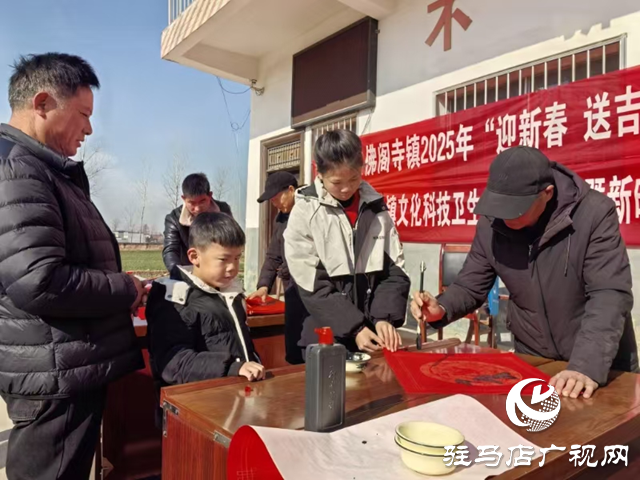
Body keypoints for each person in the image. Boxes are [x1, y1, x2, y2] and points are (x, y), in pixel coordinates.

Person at [0, 53, 146, 480]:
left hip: (61, 365)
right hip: (53, 378)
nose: (89, 129)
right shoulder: (17, 170)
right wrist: (124, 287)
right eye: (82, 115)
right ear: (42, 103)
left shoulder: (41, 170)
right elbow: (39, 280)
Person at [410, 146, 638, 400]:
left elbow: (609, 294)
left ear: (547, 193)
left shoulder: (593, 213)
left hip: (596, 365)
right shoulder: (491, 224)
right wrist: (440, 307)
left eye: (515, 209)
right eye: (499, 206)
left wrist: (585, 366)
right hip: (534, 359)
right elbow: (470, 285)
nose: (505, 217)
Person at [284, 129, 410, 356]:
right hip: (321, 334)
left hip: (370, 335)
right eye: (336, 182)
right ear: (318, 172)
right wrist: (355, 327)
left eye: (354, 178)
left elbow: (394, 271)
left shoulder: (376, 208)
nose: (346, 188)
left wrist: (384, 317)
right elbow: (311, 283)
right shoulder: (304, 211)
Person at [147, 212, 265, 388]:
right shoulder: (175, 301)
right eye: (223, 259)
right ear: (194, 256)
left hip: (235, 395)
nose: (233, 268)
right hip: (197, 402)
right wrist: (232, 368)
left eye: (237, 258)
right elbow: (174, 363)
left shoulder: (231, 294)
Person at [248, 171, 307, 364]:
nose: (274, 204)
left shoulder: (311, 212)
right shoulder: (281, 218)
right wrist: (264, 285)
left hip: (313, 290)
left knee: (311, 344)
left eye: (275, 198)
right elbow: (274, 254)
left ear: (291, 190)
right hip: (292, 290)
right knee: (293, 345)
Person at [163, 173, 233, 275]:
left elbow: (230, 242)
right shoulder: (174, 219)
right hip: (189, 272)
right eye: (191, 203)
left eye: (202, 201)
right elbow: (171, 250)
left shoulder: (223, 211)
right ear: (184, 199)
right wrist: (179, 274)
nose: (197, 208)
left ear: (210, 195)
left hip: (219, 271)